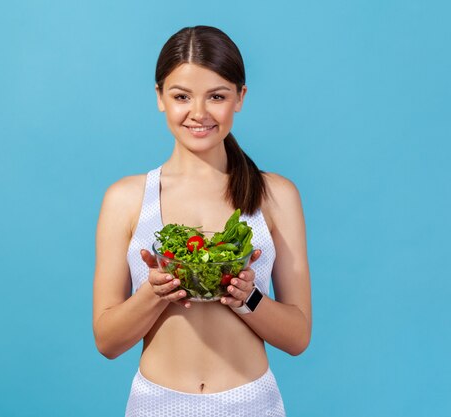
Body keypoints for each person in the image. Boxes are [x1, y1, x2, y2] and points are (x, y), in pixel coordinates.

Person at [93, 25, 312, 417]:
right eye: (181, 96)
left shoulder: (275, 196)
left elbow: (298, 336)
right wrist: (154, 292)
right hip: (156, 404)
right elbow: (107, 342)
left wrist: (248, 298)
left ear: (240, 98)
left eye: (217, 96)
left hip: (251, 404)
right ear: (159, 97)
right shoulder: (125, 199)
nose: (199, 113)